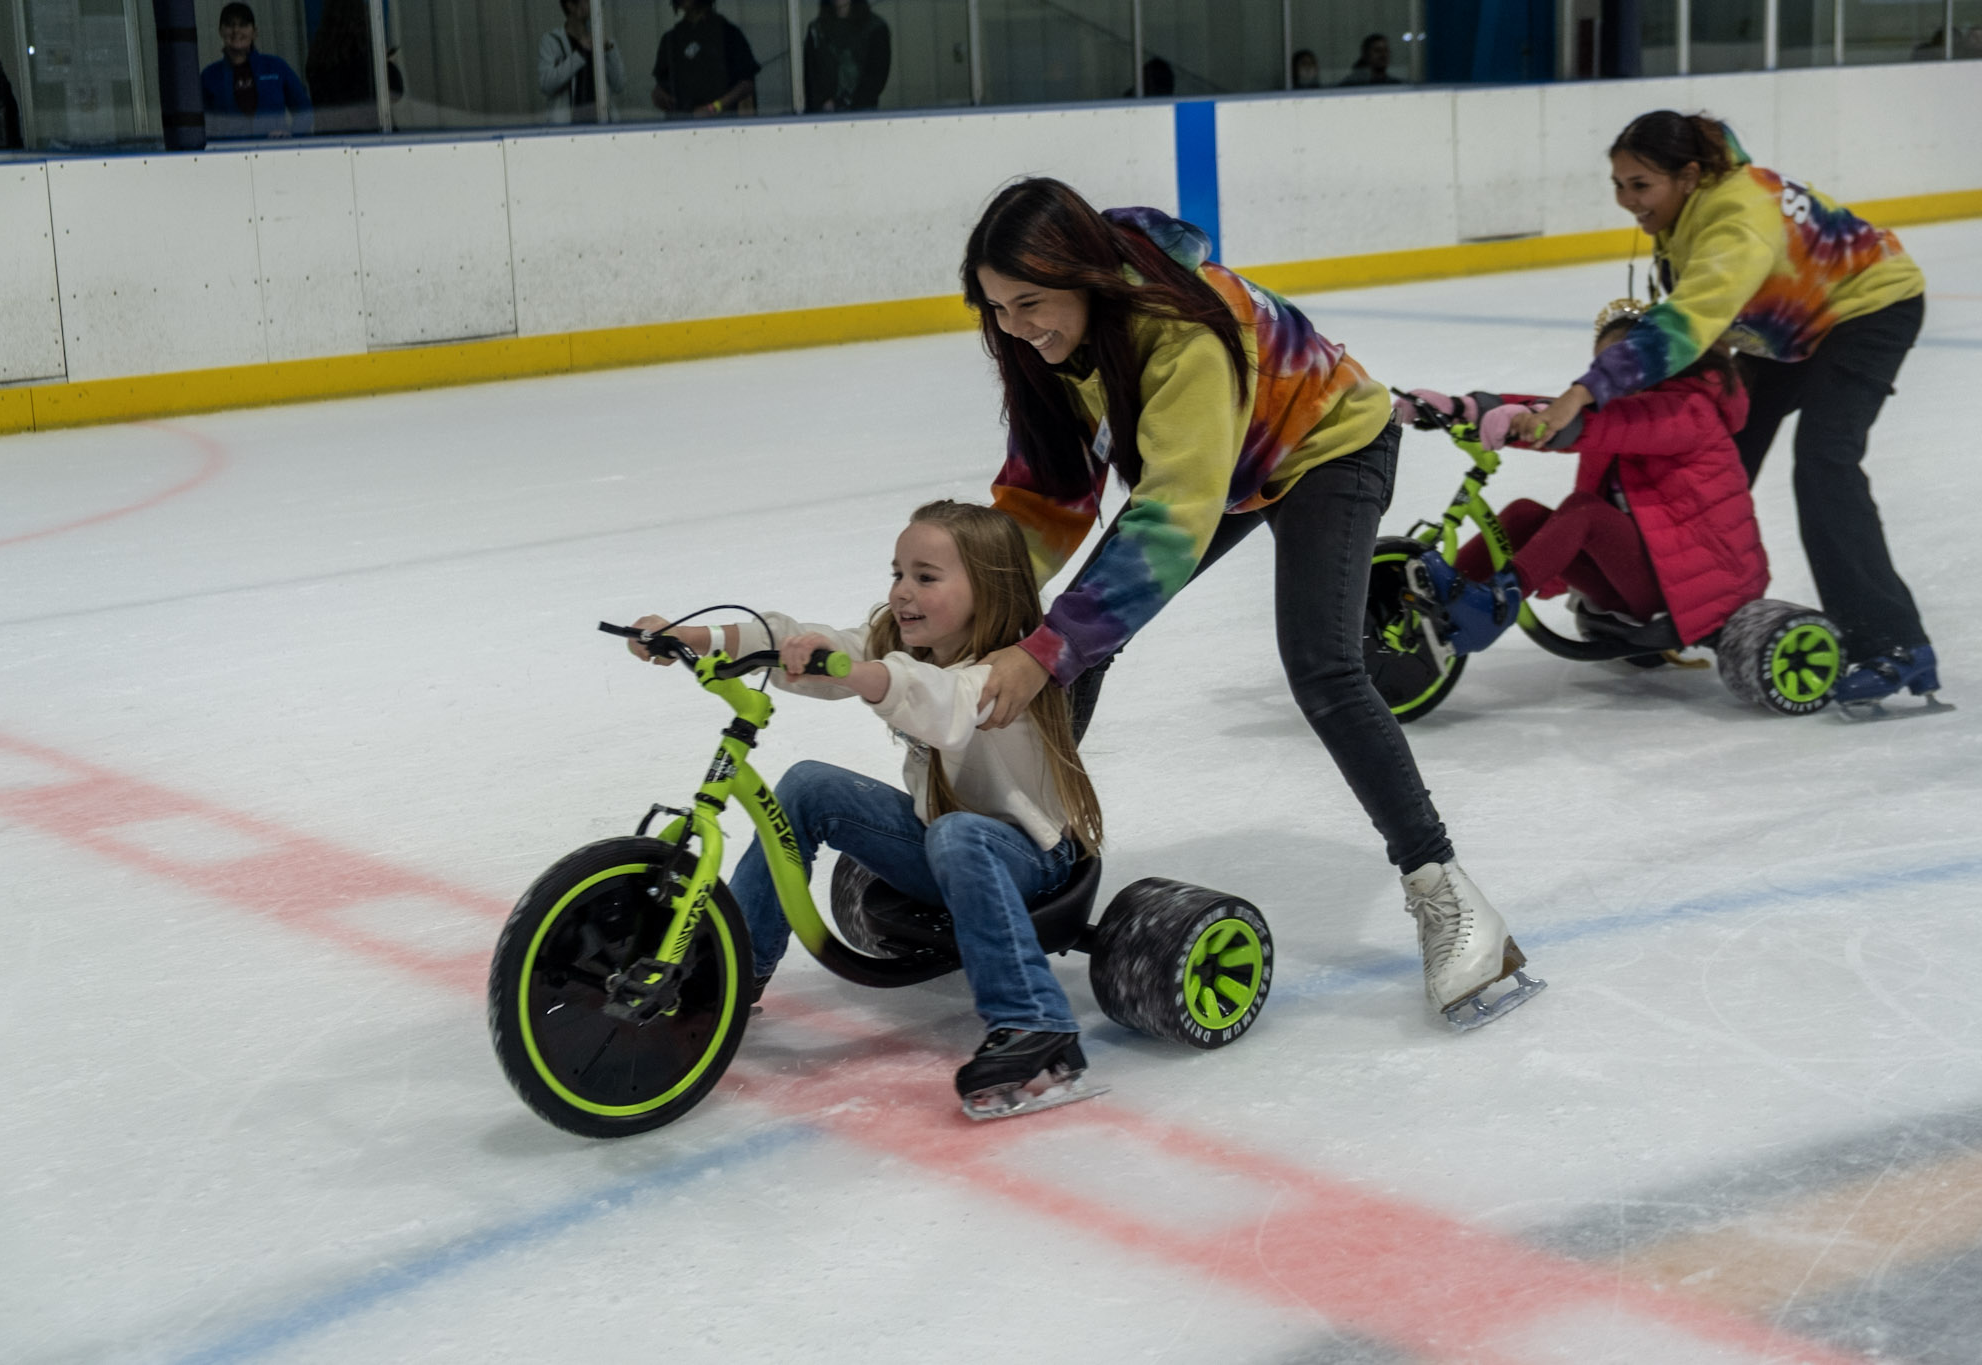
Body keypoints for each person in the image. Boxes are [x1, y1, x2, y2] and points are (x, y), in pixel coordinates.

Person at [962, 179, 1541, 1029]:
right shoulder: (1043, 341)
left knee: (1325, 669)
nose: (1016, 327)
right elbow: (1047, 495)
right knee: (1068, 637)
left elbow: (1170, 520)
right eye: (997, 307)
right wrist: (978, 601)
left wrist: (1044, 647)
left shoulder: (1184, 332)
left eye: (1031, 302)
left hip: (1326, 444)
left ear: (1085, 276)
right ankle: (1008, 847)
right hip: (1228, 463)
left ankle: (1451, 900)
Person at [628, 500, 1106, 1116]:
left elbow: (944, 704)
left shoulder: (1012, 671)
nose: (902, 592)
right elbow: (830, 647)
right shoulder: (902, 642)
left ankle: (1036, 1024)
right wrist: (696, 636)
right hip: (942, 838)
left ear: (988, 588)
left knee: (961, 833)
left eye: (926, 578)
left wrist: (867, 676)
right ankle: (730, 975)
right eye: (898, 573)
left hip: (1034, 860)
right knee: (806, 786)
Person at [1526, 111, 1935, 707]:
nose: (1626, 201)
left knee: (1825, 465)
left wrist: (1585, 391)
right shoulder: (1695, 198)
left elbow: (1689, 319)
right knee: (1711, 454)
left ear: (1689, 176)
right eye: (1618, 184)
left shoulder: (1738, 217)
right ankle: (1671, 599)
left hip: (1866, 310)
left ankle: (1895, 643)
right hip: (1779, 326)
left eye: (1640, 186)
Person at [1396, 300, 1767, 654]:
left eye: (1624, 369)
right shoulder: (1626, 411)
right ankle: (1435, 594)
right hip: (1642, 572)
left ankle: (1496, 604)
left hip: (1696, 585)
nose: (1612, 382)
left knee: (1585, 511)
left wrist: (1526, 423)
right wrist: (1465, 408)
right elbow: (1565, 414)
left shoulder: (1688, 412)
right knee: (1525, 514)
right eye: (1603, 370)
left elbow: (1592, 425)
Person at [200, 3, 313, 139]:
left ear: (255, 32)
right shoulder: (209, 76)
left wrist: (292, 134)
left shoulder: (276, 67)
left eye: (243, 25)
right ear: (221, 31)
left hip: (274, 153)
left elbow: (304, 109)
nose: (236, 30)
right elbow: (199, 123)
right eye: (230, 25)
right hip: (229, 155)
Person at [305, 0, 404, 134]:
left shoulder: (318, 57)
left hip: (330, 138)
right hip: (370, 136)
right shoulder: (366, 57)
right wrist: (385, 61)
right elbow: (395, 92)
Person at [652, 0, 758, 119]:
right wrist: (659, 96)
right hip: (680, 125)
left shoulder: (727, 34)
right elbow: (660, 87)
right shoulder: (671, 39)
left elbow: (746, 84)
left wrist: (714, 108)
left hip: (722, 125)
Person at [538, 0, 626, 124]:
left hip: (603, 123)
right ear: (571, 6)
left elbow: (619, 84)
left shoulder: (603, 41)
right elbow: (547, 84)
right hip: (567, 128)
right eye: (588, 1)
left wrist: (609, 50)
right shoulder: (552, 42)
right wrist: (579, 54)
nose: (595, 7)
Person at [802, 0, 889, 114]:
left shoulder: (876, 29)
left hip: (863, 114)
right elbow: (811, 78)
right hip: (822, 116)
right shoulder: (816, 30)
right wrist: (822, 104)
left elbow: (876, 77)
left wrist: (845, 103)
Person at [1336, 33, 1402, 86]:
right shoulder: (1353, 85)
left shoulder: (1396, 85)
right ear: (1366, 55)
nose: (1383, 55)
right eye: (1378, 50)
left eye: (1386, 50)